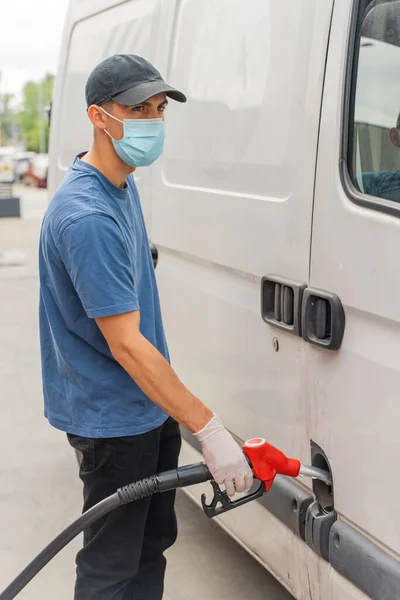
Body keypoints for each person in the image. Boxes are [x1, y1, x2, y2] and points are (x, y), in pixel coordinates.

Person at [38, 54, 253, 600]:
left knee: (150, 544)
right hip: (112, 419)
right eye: (136, 108)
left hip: (142, 408)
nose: (152, 120)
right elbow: (128, 344)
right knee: (112, 565)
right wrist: (207, 429)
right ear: (98, 116)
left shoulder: (120, 185)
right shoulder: (88, 214)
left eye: (158, 109)